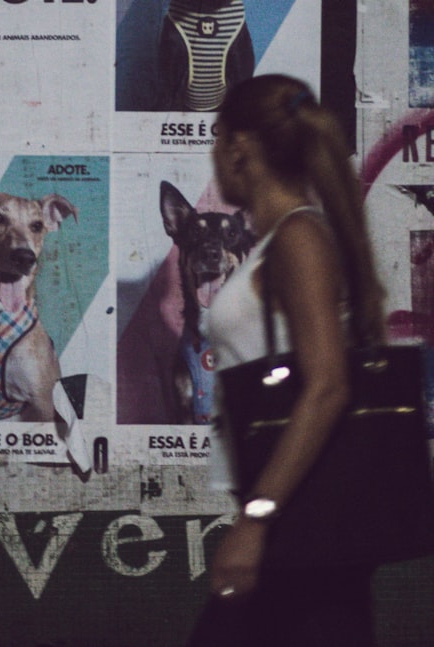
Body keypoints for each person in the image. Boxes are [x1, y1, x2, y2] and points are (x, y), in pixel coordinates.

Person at [185, 74, 387, 646]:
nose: (213, 155)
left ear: (238, 146)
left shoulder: (300, 239)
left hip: (301, 528)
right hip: (295, 529)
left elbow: (326, 387)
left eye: (215, 136)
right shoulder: (284, 241)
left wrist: (256, 518)